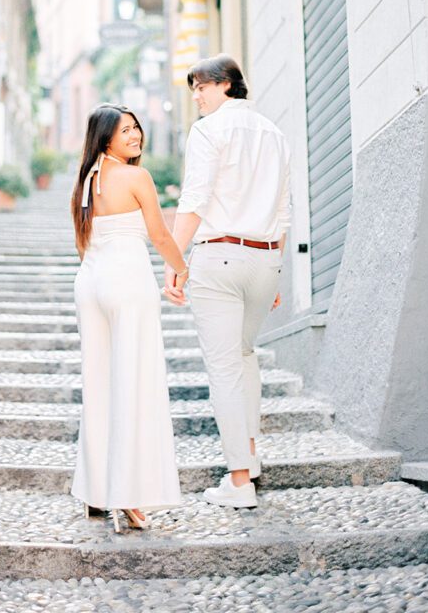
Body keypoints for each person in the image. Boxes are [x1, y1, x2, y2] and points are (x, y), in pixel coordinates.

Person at [164, 55, 291, 509]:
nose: (196, 97)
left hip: (219, 255)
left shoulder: (209, 130)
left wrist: (174, 261)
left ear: (225, 85)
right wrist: (274, 266)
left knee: (224, 368)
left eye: (201, 87)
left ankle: (239, 482)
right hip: (265, 258)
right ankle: (250, 457)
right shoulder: (274, 133)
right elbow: (282, 209)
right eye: (193, 89)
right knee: (244, 355)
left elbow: (194, 199)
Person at [70, 103, 188, 532]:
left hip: (91, 282)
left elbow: (83, 242)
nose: (136, 136)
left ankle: (95, 492)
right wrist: (182, 267)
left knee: (99, 387)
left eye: (137, 128)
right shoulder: (135, 177)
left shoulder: (87, 180)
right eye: (126, 131)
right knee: (134, 385)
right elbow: (159, 234)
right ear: (106, 139)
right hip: (126, 278)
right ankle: (130, 495)